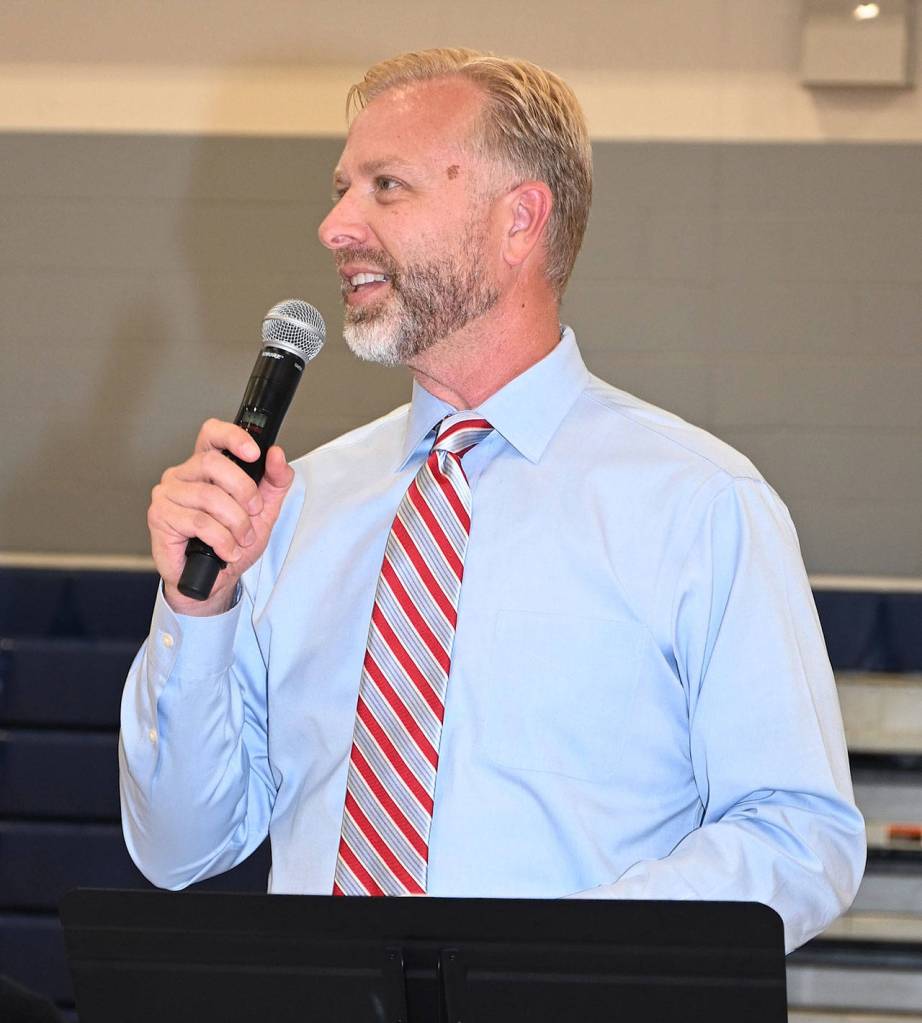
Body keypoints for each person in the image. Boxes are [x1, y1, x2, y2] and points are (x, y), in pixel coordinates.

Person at [120, 48, 865, 952]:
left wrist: (545, 966)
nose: (334, 226)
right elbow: (176, 847)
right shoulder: (299, 503)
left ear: (520, 220)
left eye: (385, 186)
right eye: (340, 187)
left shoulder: (699, 504)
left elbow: (798, 834)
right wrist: (200, 608)